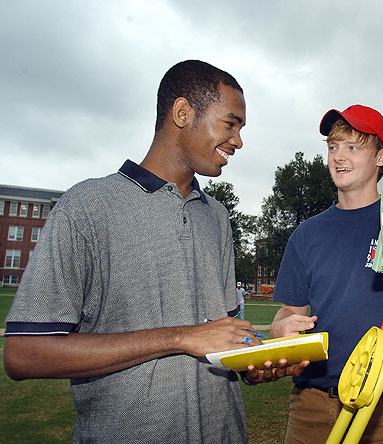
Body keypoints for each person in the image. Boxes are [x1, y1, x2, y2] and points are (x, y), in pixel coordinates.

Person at [3, 60, 306, 444]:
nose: (239, 141)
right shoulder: (86, 207)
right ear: (183, 113)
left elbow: (224, 337)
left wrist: (253, 362)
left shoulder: (217, 217)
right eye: (231, 124)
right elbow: (24, 354)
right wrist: (180, 337)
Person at [270, 105, 383, 444]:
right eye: (333, 146)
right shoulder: (306, 235)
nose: (339, 157)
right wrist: (281, 326)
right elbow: (291, 311)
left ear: (382, 156)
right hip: (311, 402)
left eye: (353, 147)